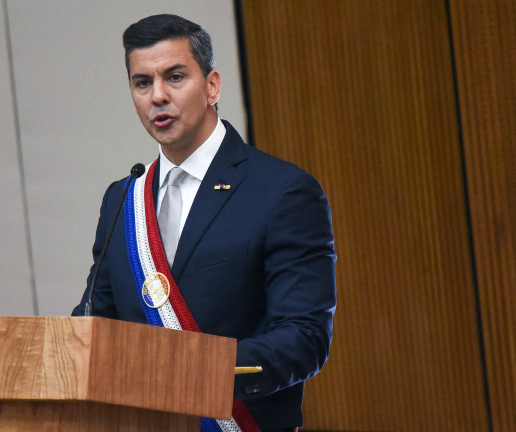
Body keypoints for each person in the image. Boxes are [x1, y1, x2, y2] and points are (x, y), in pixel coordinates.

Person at [72, 14, 336, 432]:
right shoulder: (122, 199)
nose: (158, 96)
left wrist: (192, 376)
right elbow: (94, 326)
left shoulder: (282, 191)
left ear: (212, 85)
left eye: (175, 77)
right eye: (143, 83)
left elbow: (304, 340)